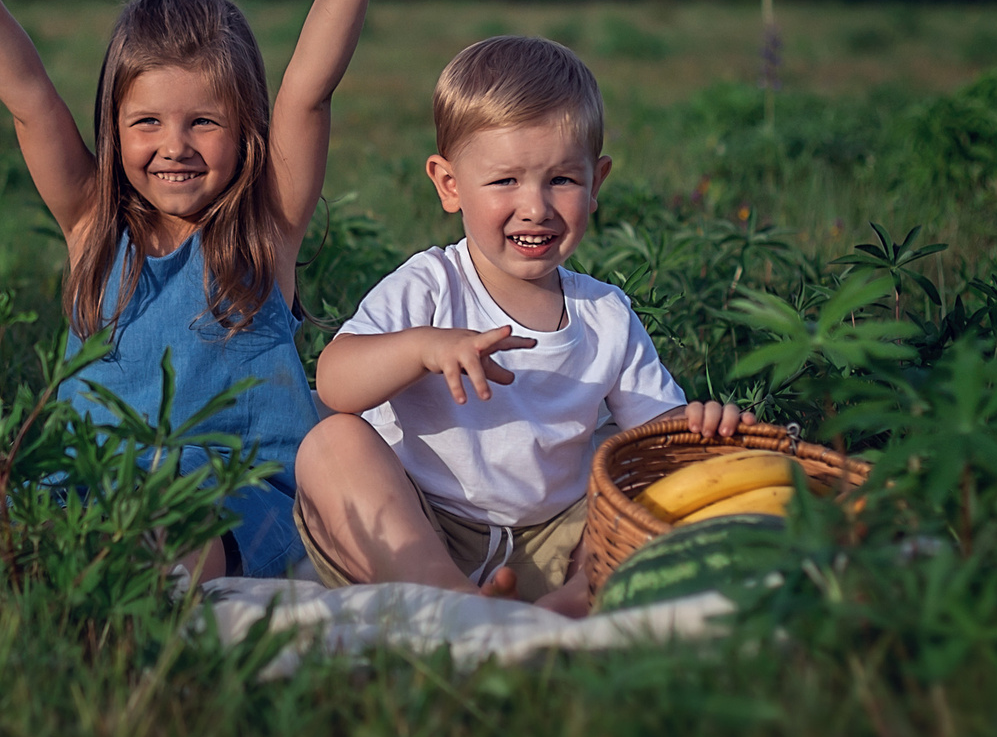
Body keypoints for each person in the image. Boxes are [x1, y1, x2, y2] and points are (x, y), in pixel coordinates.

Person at [0, 0, 451, 580]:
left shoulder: (265, 229)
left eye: (204, 122)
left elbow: (308, 89)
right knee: (46, 554)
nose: (173, 147)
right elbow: (29, 100)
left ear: (247, 130)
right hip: (93, 483)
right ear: (115, 127)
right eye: (146, 123)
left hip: (230, 492)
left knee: (177, 554)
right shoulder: (93, 224)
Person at [294, 36, 744, 617]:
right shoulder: (431, 285)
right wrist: (422, 348)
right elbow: (334, 380)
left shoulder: (603, 315)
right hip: (419, 526)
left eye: (561, 180)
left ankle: (572, 599)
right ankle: (448, 598)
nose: (535, 206)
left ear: (596, 182)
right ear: (450, 185)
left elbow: (651, 430)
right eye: (505, 181)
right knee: (331, 443)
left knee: (636, 474)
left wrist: (698, 425)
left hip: (555, 537)